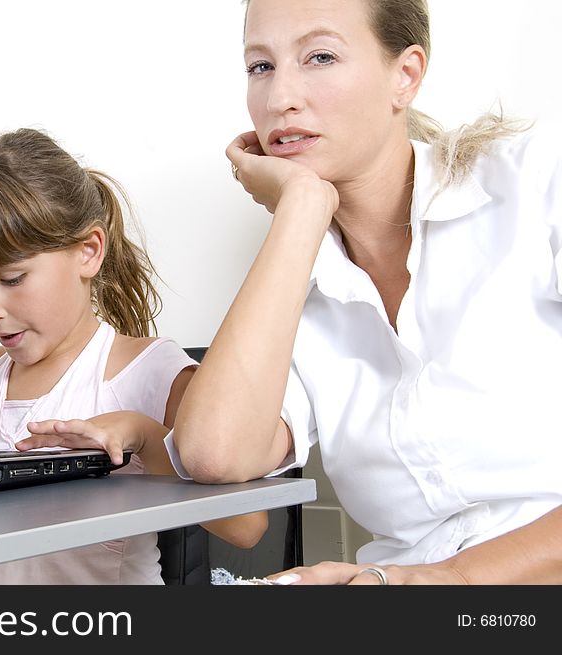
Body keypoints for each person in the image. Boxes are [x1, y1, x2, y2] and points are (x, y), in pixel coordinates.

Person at [162, 0, 562, 585]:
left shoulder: (534, 188)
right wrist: (300, 210)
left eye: (319, 56)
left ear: (405, 75)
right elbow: (214, 456)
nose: (279, 99)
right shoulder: (294, 282)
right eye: (260, 66)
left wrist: (449, 581)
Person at [0, 127, 267, 585]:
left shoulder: (149, 372)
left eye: (12, 279)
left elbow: (246, 527)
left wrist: (147, 438)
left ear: (88, 252)